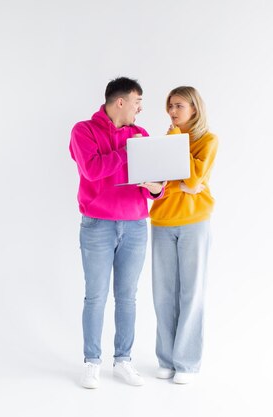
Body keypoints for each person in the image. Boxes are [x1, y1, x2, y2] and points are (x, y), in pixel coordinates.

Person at [69, 77, 165, 389]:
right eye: (138, 102)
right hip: (98, 224)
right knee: (95, 296)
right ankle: (91, 362)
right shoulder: (83, 130)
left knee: (127, 297)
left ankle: (123, 360)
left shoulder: (142, 135)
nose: (141, 109)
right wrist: (128, 151)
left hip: (136, 224)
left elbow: (157, 188)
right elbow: (92, 170)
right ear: (121, 102)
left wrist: (154, 187)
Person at [149, 86, 218, 384]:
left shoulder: (207, 141)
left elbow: (192, 178)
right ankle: (166, 359)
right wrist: (179, 185)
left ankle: (187, 363)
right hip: (162, 221)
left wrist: (177, 143)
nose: (172, 112)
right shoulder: (167, 140)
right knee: (163, 294)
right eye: (169, 107)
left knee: (191, 292)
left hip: (194, 222)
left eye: (178, 105)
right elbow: (155, 184)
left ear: (194, 108)